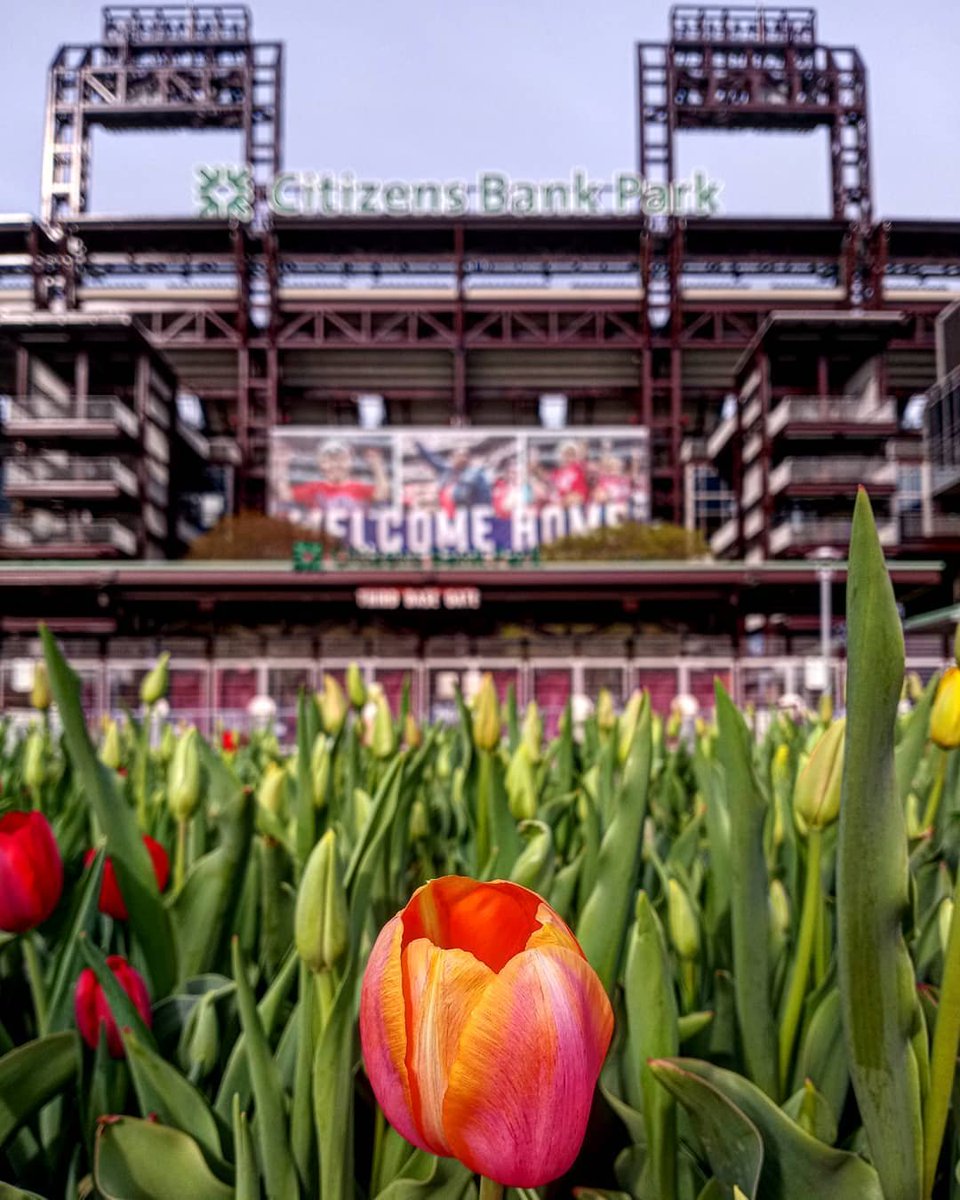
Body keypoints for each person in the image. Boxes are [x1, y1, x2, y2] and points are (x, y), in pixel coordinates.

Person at [281, 440, 390, 511]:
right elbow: (285, 495)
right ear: (321, 464)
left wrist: (377, 466)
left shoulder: (359, 488)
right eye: (329, 460)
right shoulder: (313, 488)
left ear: (349, 462)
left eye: (340, 460)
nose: (335, 465)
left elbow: (382, 494)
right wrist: (282, 464)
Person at [414, 441, 492, 514]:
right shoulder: (446, 471)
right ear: (452, 457)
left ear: (469, 459)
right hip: (445, 514)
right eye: (458, 455)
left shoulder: (476, 474)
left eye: (465, 456)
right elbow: (431, 459)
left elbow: (485, 498)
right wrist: (418, 445)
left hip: (465, 514)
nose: (462, 458)